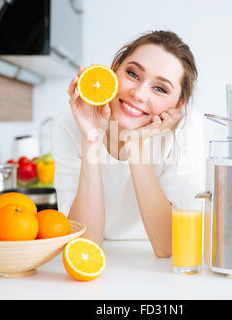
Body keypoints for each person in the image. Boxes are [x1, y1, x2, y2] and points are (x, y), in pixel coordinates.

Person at [51, 30, 205, 258]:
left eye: (160, 89)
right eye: (133, 74)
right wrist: (91, 138)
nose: (139, 94)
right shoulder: (68, 125)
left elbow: (170, 247)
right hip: (102, 262)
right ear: (115, 68)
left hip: (159, 266)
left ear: (179, 104)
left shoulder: (185, 128)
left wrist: (135, 144)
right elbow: (84, 248)